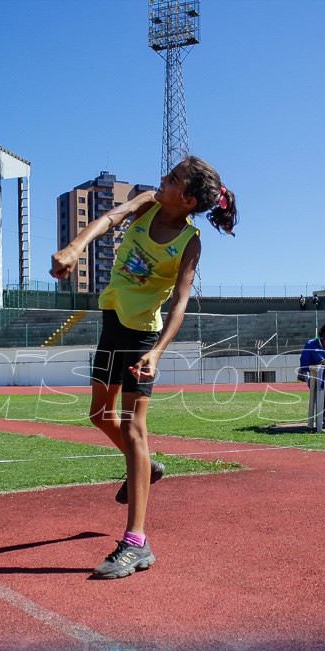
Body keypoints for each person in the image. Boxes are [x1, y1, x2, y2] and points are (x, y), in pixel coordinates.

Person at [50, 156, 237, 579]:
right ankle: (147, 467)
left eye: (172, 179)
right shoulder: (149, 202)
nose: (162, 180)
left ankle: (136, 543)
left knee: (135, 430)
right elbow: (112, 217)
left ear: (189, 199)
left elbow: (180, 303)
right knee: (100, 415)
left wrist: (157, 353)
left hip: (140, 338)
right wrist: (76, 248)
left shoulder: (190, 243)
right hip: (111, 321)